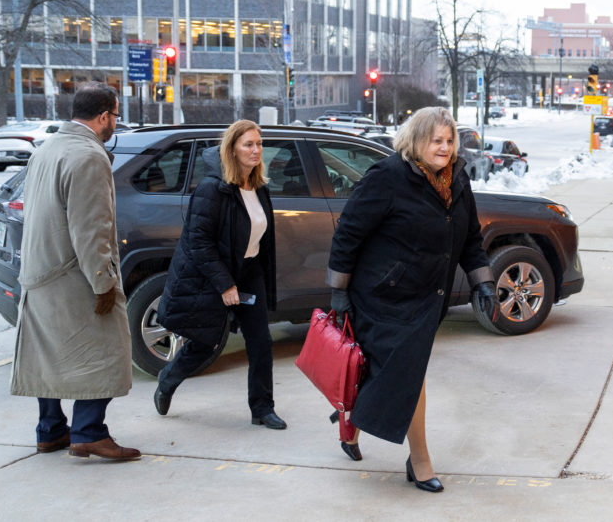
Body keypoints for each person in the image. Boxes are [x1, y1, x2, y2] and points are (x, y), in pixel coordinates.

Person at [325, 106, 498, 492]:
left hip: (427, 296)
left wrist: (482, 282)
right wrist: (338, 291)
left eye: (450, 140)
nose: (445, 147)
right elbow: (348, 234)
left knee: (392, 372)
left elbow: (469, 238)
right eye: (436, 140)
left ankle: (352, 422)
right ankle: (419, 460)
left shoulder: (457, 181)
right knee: (409, 373)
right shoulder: (387, 177)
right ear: (416, 140)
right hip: (383, 294)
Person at [10, 82, 139, 461]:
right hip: (73, 275)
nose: (115, 122)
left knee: (47, 353)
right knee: (106, 349)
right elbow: (91, 228)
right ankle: (89, 432)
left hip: (39, 272)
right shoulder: (89, 156)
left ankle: (50, 430)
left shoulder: (47, 147)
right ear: (103, 117)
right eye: (116, 115)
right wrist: (104, 284)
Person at [154, 120, 285, 430]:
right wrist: (225, 283)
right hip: (215, 277)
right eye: (248, 145)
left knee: (261, 342)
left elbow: (261, 240)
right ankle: (168, 378)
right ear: (232, 149)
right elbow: (198, 242)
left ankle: (262, 408)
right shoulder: (214, 188)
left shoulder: (259, 187)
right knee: (205, 342)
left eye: (258, 144)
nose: (256, 150)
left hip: (249, 272)